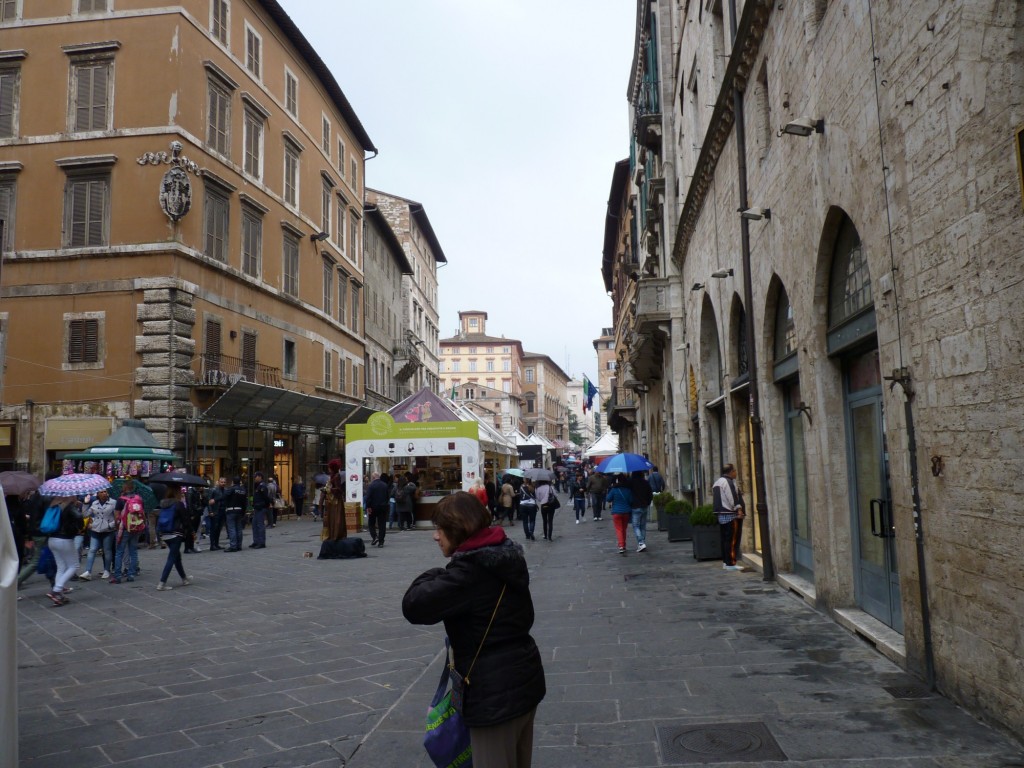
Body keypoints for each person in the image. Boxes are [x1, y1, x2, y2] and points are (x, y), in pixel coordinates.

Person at [402, 491, 546, 768]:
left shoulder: (469, 573)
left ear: (458, 530)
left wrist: (436, 572)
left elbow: (414, 605)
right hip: (523, 679)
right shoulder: (505, 556)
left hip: (494, 694)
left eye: (440, 529)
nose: (436, 536)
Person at [44, 496, 84, 606]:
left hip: (52, 539)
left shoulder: (53, 504)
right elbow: (79, 516)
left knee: (61, 567)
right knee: (74, 566)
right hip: (64, 539)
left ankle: (59, 595)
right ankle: (56, 590)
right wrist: (80, 526)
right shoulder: (68, 506)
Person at [156, 486, 192, 590]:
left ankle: (184, 578)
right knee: (172, 558)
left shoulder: (163, 503)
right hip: (176, 533)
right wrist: (190, 531)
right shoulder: (178, 504)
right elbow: (185, 520)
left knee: (176, 556)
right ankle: (162, 582)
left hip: (165, 533)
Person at [713, 463, 745, 571]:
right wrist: (738, 509)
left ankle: (726, 562)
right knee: (731, 540)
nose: (736, 472)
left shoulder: (717, 482)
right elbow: (732, 497)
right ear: (731, 472)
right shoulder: (728, 482)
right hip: (730, 515)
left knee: (725, 540)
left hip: (722, 516)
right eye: (735, 470)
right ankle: (731, 563)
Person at [80, 488, 116, 580]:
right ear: (98, 494)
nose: (104, 493)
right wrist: (85, 503)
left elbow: (117, 517)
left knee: (107, 550)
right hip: (95, 529)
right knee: (92, 550)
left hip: (108, 530)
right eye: (102, 492)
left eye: (105, 492)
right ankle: (88, 571)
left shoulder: (113, 502)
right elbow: (85, 514)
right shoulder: (94, 503)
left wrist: (110, 525)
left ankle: (107, 570)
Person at [605, 475, 634, 555]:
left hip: (616, 512)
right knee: (624, 529)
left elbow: (608, 499)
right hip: (626, 512)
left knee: (619, 529)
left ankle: (621, 545)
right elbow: (631, 500)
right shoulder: (628, 490)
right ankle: (623, 544)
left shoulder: (614, 490)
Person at [628, 470, 653, 553]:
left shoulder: (631, 482)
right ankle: (642, 543)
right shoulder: (645, 482)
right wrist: (648, 502)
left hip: (635, 506)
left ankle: (641, 543)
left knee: (636, 526)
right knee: (643, 526)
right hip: (644, 506)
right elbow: (650, 494)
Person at [322, 458, 347, 541]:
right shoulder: (332, 476)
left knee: (336, 519)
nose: (328, 469)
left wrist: (329, 489)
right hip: (331, 501)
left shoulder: (336, 476)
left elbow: (339, 489)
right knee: (332, 518)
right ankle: (332, 534)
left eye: (329, 467)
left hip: (336, 501)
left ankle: (336, 535)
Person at [365, 471, 391, 548]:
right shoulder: (384, 485)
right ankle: (381, 541)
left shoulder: (371, 485)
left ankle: (374, 537)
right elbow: (387, 496)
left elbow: (368, 497)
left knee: (371, 523)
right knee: (382, 524)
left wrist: (368, 507)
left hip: (373, 507)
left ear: (373, 478)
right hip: (383, 507)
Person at [223, 476, 247, 552]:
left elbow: (224, 495)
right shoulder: (243, 490)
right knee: (239, 529)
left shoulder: (232, 489)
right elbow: (244, 503)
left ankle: (233, 546)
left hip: (231, 510)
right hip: (239, 511)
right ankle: (239, 545)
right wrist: (243, 512)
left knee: (232, 529)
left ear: (233, 482)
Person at [249, 471, 270, 549]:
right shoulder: (257, 486)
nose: (254, 478)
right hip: (257, 508)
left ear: (260, 477)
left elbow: (266, 497)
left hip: (260, 508)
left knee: (260, 525)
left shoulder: (262, 486)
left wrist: (265, 506)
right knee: (254, 525)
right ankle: (256, 541)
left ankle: (261, 542)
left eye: (255, 476)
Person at [207, 477, 228, 550]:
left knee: (219, 528)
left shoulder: (226, 490)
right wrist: (210, 511)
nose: (223, 483)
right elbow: (209, 502)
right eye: (221, 482)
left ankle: (216, 544)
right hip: (215, 511)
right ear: (218, 482)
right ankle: (212, 545)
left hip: (223, 511)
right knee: (213, 529)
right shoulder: (213, 490)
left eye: (224, 482)